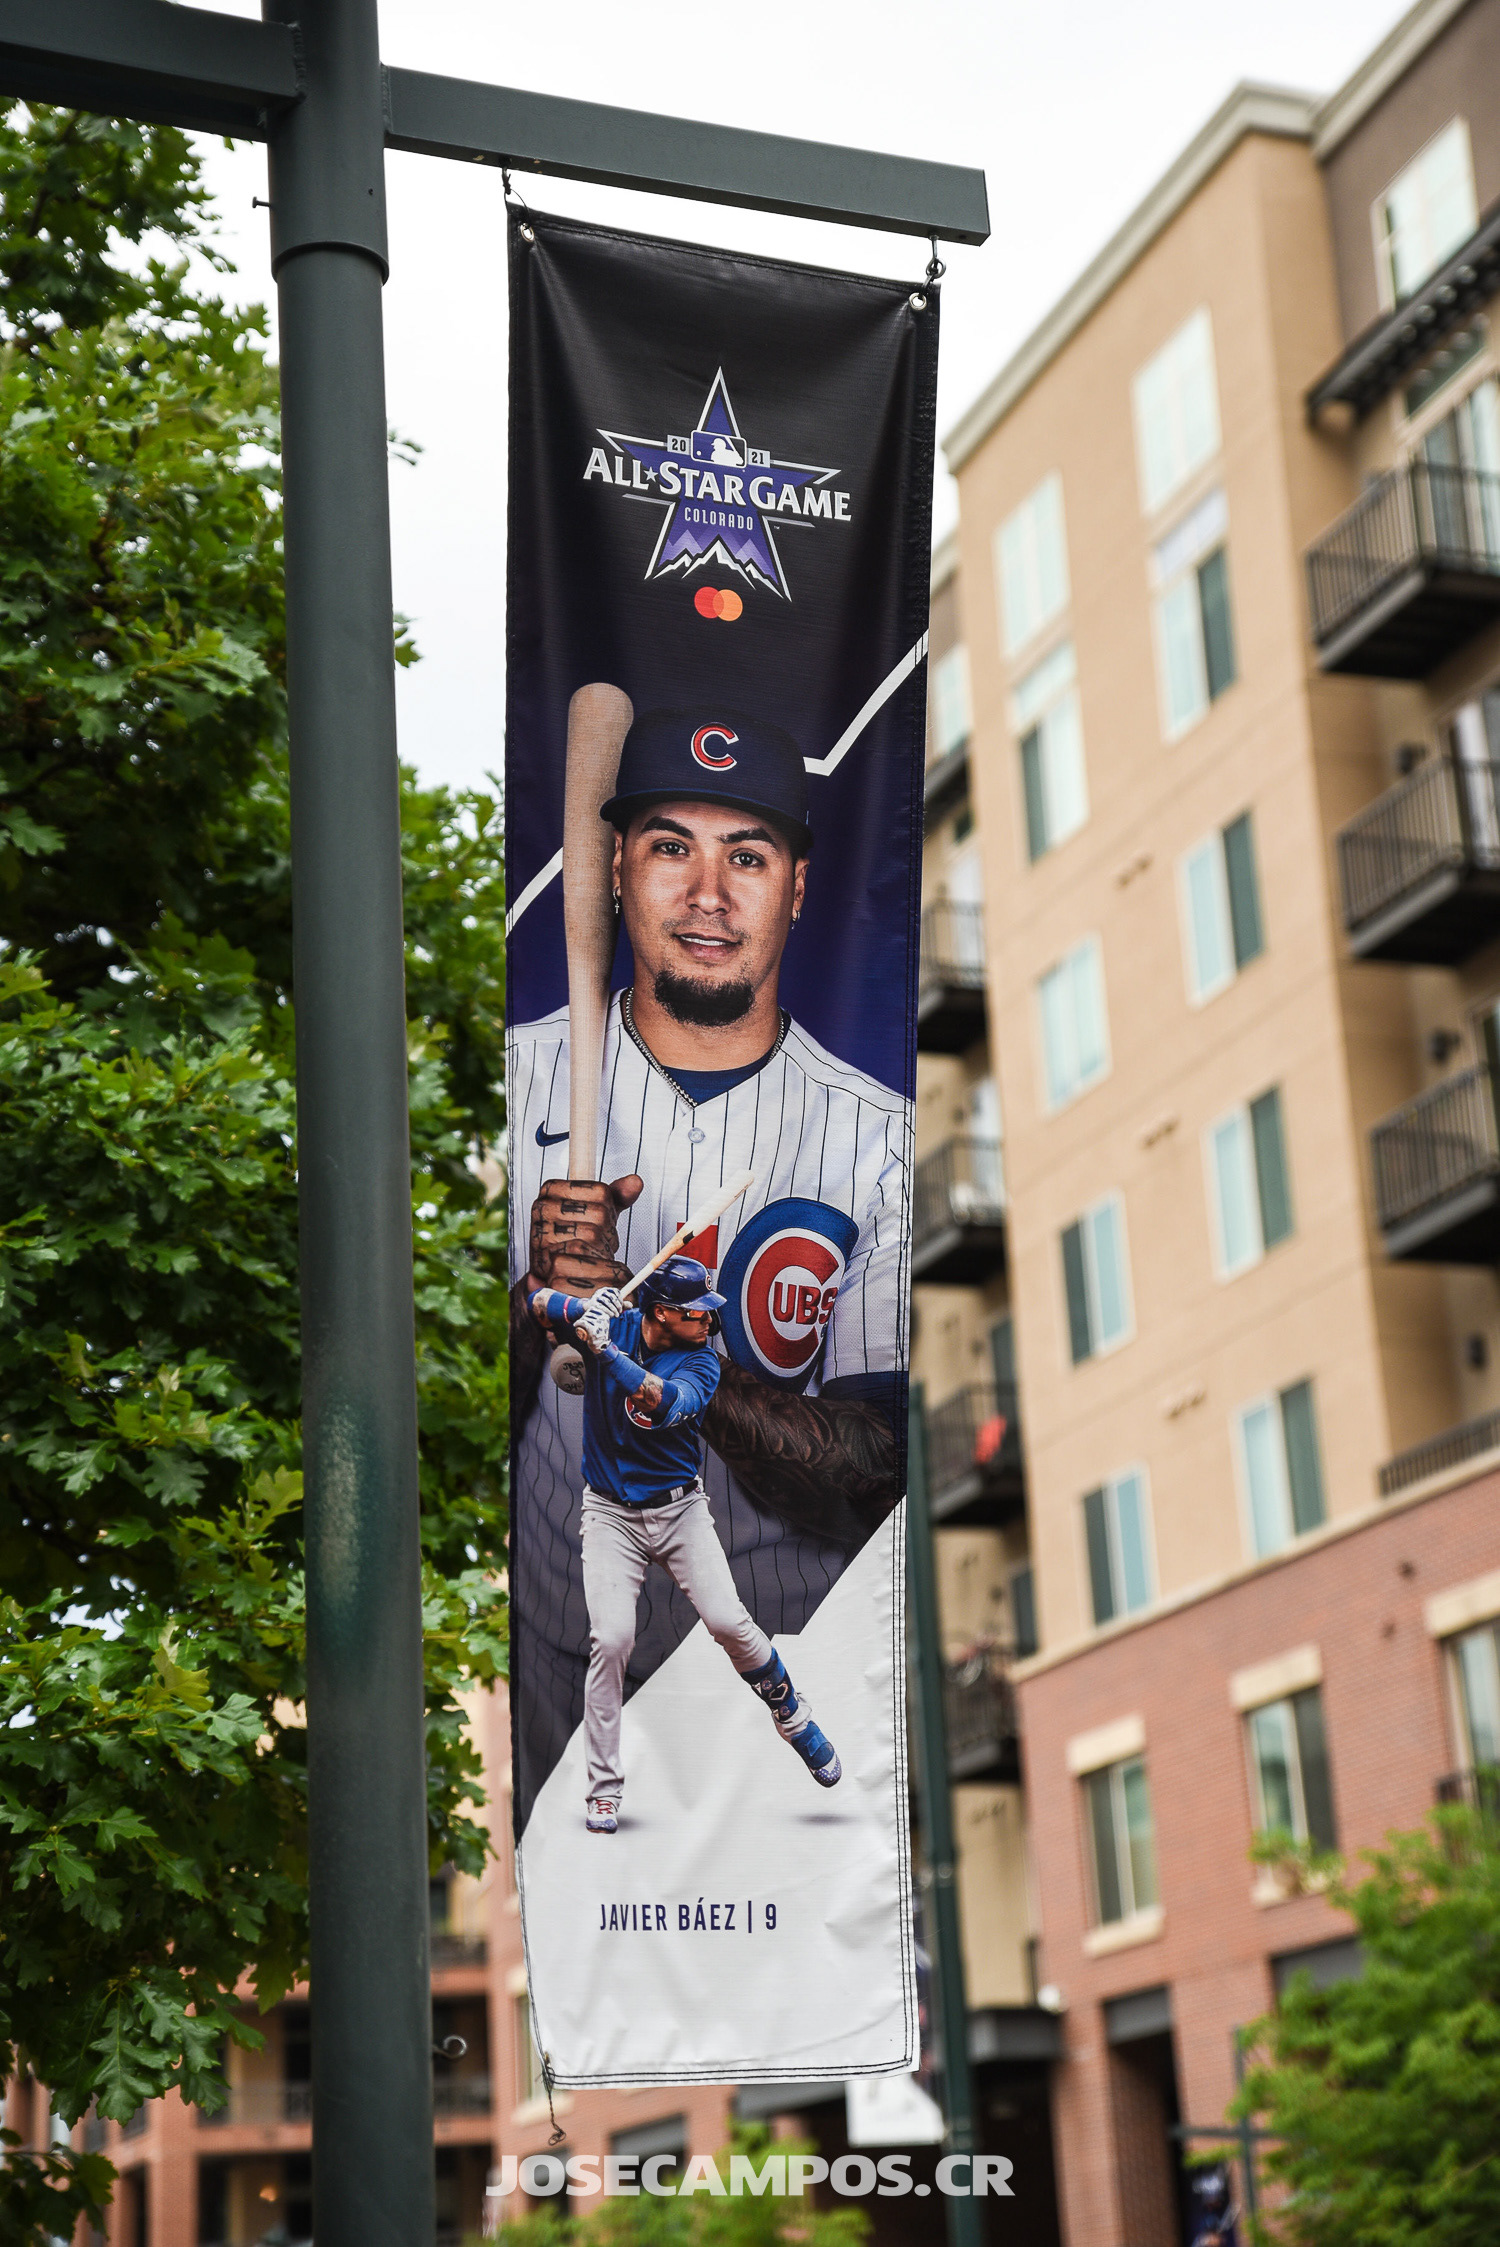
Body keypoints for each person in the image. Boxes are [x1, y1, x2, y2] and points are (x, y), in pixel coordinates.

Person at [508, 705, 910, 1830]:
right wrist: (534, 1302)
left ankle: (802, 1732)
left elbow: (876, 1474)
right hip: (553, 1649)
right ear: (615, 868)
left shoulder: (876, 1137)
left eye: (748, 855)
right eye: (671, 846)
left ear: (797, 885)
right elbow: (444, 1421)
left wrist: (639, 1334)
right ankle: (603, 1790)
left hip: (804, 1637)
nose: (708, 894)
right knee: (608, 1643)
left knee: (739, 1635)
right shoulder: (519, 1081)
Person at [528, 1254, 841, 1831]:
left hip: (679, 1511)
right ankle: (603, 1787)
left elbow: (665, 1402)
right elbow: (538, 1303)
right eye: (696, 1313)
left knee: (729, 1623)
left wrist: (604, 1350)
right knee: (611, 1640)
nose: (709, 1321)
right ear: (661, 1313)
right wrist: (586, 1309)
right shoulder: (615, 1324)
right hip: (610, 1513)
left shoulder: (700, 1361)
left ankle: (791, 1714)